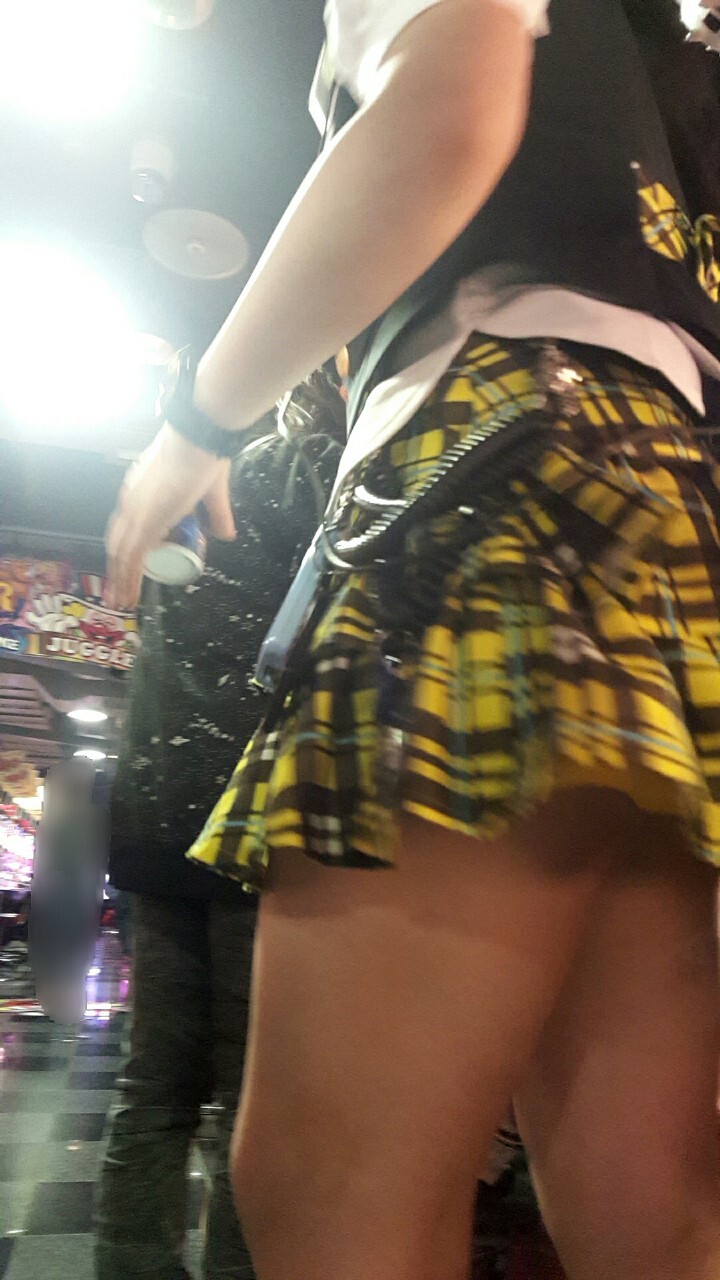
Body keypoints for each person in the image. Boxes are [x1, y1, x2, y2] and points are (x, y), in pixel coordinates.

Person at [105, 2, 720, 1278]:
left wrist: (198, 421)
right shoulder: (649, 68)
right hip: (662, 525)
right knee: (640, 1200)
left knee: (332, 1187)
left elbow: (446, 116)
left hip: (486, 481)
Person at [95, 380, 343, 1280]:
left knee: (153, 1084)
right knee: (251, 1094)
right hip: (253, 825)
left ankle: (127, 1267)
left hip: (156, 813)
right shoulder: (321, 477)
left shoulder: (185, 486)